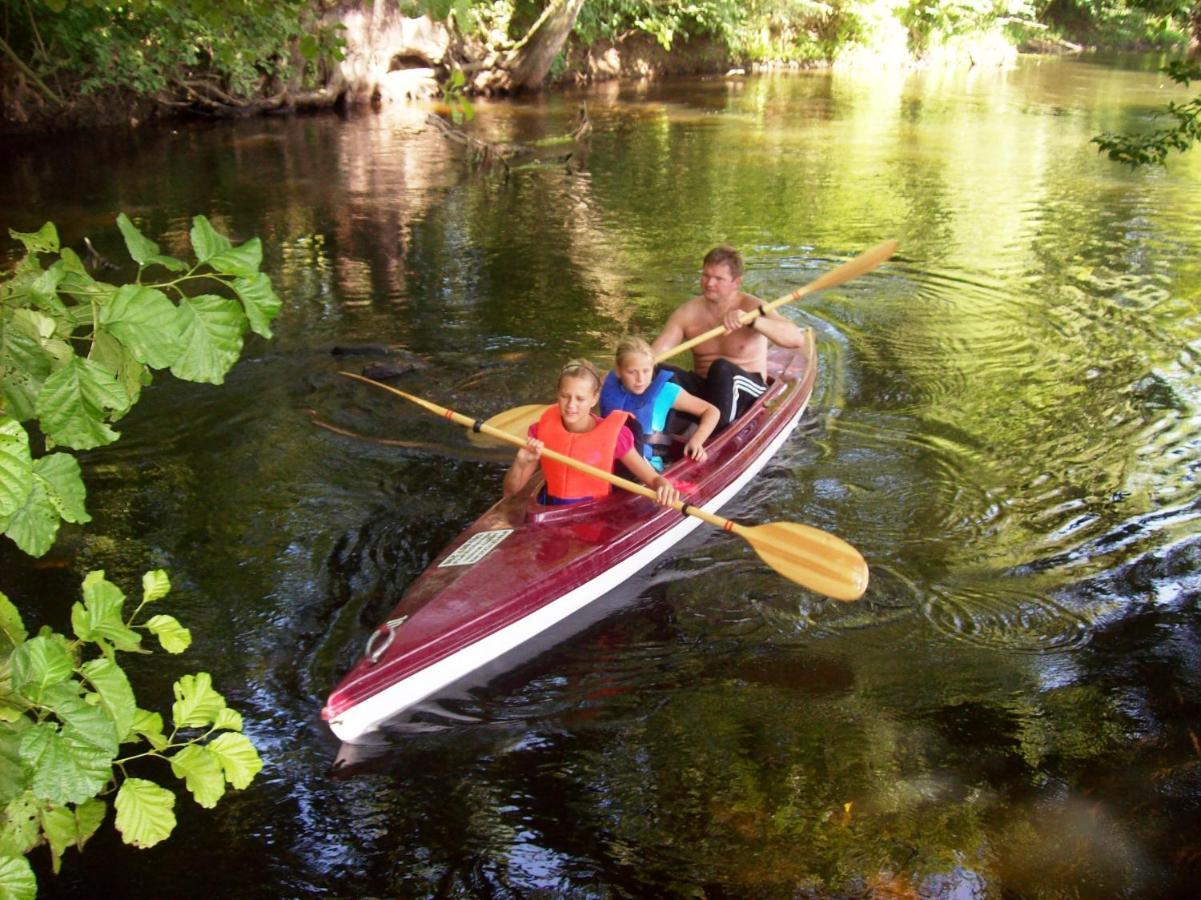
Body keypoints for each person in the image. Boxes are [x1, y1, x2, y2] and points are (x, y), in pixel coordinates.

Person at [651, 245, 807, 428]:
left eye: (718, 279)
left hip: (749, 390)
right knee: (657, 371)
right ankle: (658, 432)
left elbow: (796, 338)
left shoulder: (752, 306)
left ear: (736, 282)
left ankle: (716, 433)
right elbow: (657, 352)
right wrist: (632, 367)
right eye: (706, 275)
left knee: (722, 368)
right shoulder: (687, 313)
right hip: (707, 389)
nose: (709, 283)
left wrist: (753, 321)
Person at [503, 358, 680, 508]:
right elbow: (510, 494)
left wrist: (663, 485)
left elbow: (652, 479)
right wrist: (519, 463)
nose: (571, 405)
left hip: (595, 514)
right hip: (549, 511)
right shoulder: (539, 431)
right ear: (557, 394)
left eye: (580, 398)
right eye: (565, 396)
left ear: (594, 398)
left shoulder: (615, 436)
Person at [599, 335, 719, 471]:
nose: (640, 379)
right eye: (632, 372)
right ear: (618, 370)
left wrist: (697, 440)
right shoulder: (605, 388)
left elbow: (711, 411)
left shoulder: (666, 391)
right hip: (609, 466)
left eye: (646, 371)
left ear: (653, 368)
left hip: (650, 470)